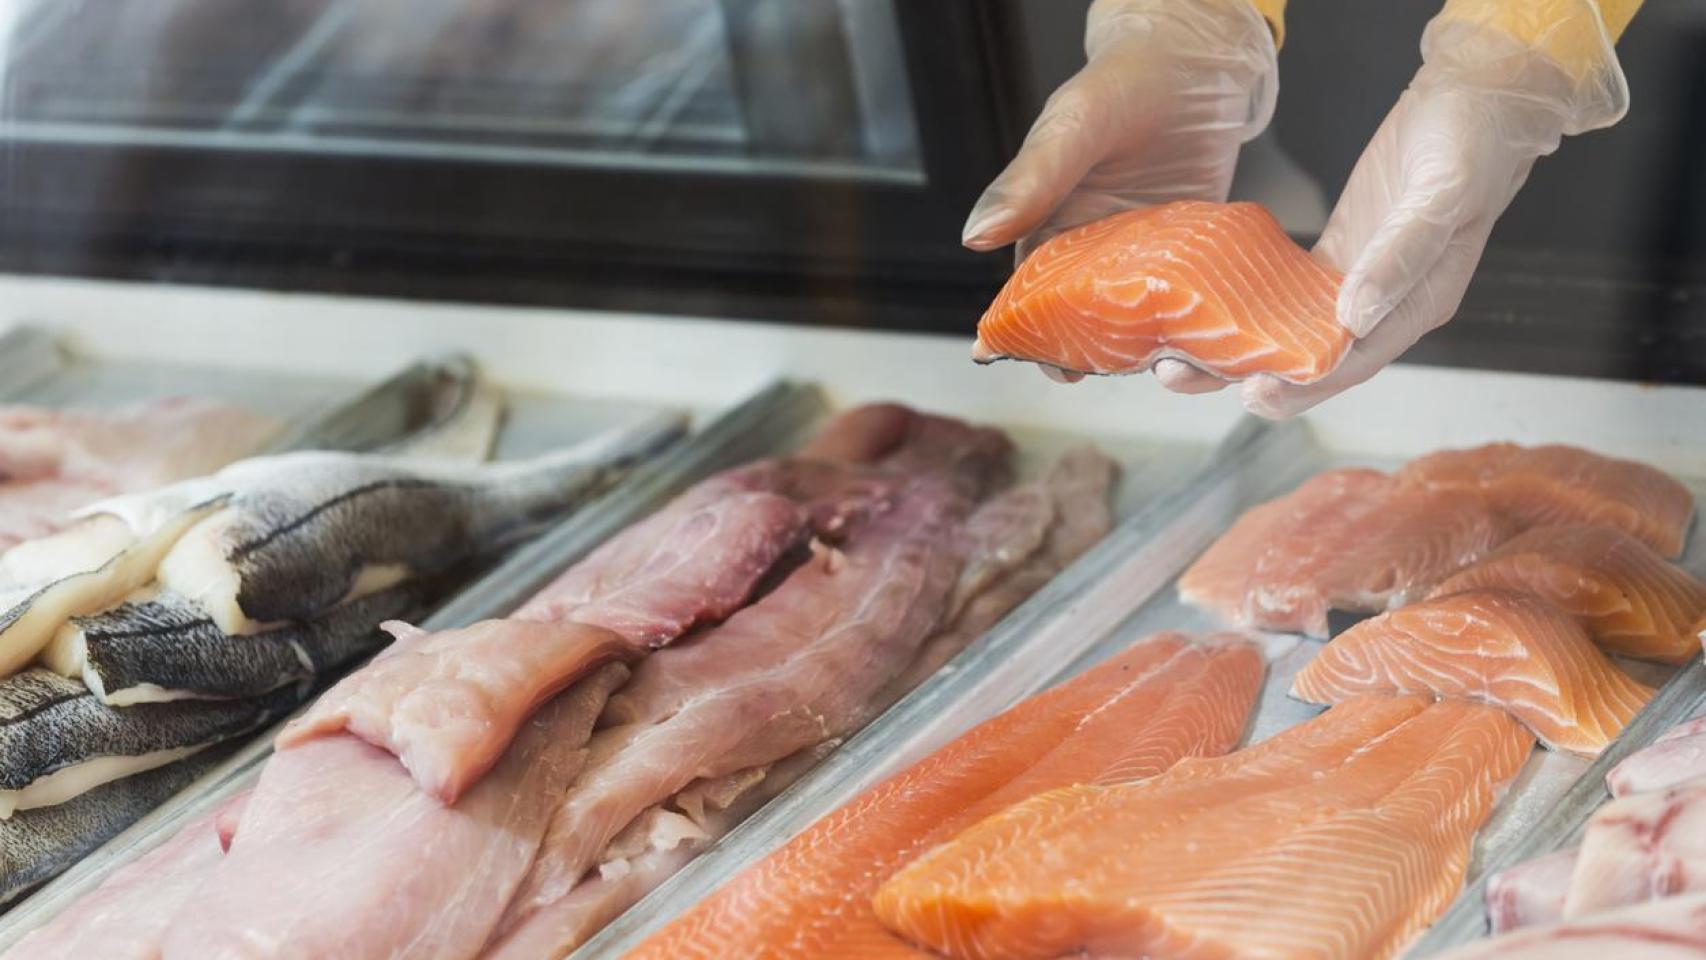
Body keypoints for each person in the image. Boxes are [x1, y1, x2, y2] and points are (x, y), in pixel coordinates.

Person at [962, 0, 1642, 417]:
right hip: (1337, 48)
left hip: (1618, 126)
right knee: (1386, 268)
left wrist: (1517, 56)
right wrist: (1187, 18)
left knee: (1495, 253)